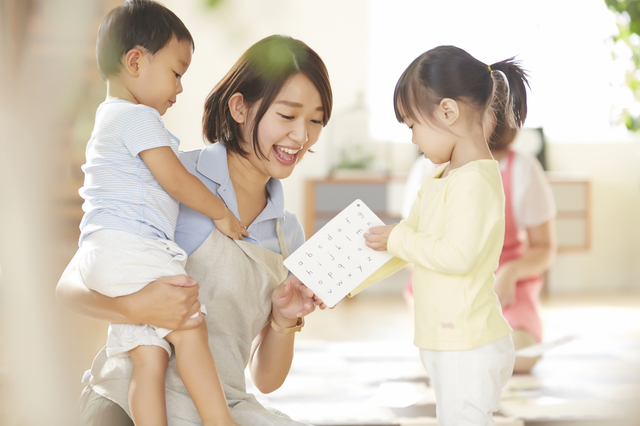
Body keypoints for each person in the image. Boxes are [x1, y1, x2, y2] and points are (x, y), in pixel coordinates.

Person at [57, 34, 331, 425]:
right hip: (131, 394)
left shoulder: (288, 232)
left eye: (316, 120)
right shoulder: (170, 177)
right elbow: (68, 288)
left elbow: (266, 380)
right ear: (239, 107)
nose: (302, 136)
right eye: (287, 116)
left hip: (222, 406)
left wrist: (284, 319)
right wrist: (130, 308)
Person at [78, 1, 250, 425]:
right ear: (135, 61)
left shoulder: (107, 119)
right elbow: (175, 179)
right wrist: (221, 212)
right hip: (133, 245)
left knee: (149, 356)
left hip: (103, 252)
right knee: (190, 329)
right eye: (176, 73)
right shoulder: (137, 118)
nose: (180, 88)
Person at [363, 46, 529, 425]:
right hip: (448, 340)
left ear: (448, 112)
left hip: (468, 343)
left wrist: (397, 239)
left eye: (411, 125)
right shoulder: (441, 177)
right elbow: (408, 244)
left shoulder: (475, 181)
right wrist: (342, 285)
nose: (411, 139)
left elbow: (457, 255)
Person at [401, 123, 557, 374]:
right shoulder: (427, 170)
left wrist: (510, 273)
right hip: (441, 285)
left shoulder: (523, 169)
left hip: (504, 289)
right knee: (444, 356)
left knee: (521, 356)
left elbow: (545, 248)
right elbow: (408, 246)